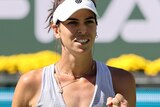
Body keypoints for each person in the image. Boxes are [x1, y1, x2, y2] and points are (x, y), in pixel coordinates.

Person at [12, 0, 136, 107]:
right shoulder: (29, 84)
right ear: (56, 30)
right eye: (72, 22)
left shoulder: (122, 81)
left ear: (96, 27)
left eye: (89, 22)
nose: (83, 29)